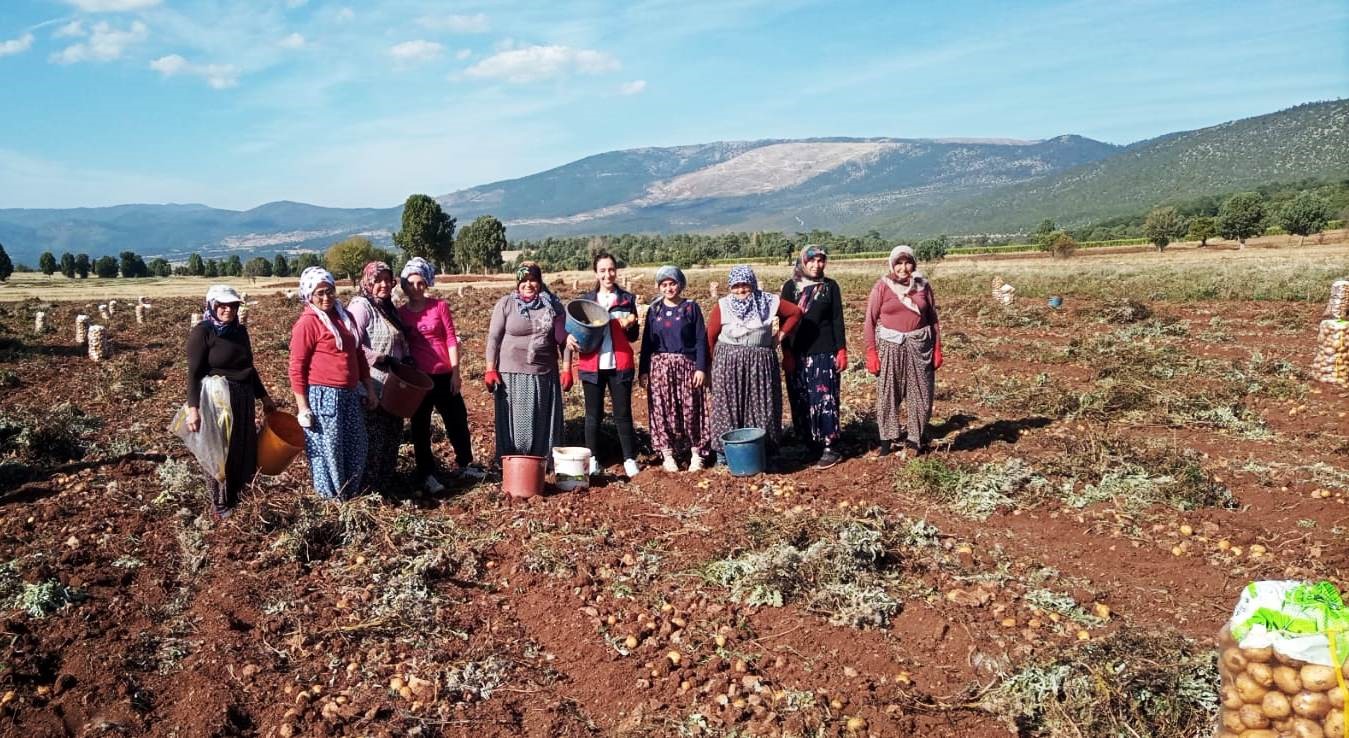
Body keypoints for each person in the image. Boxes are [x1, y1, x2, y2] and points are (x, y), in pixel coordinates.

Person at [184, 285, 276, 517]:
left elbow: (249, 368)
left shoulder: (239, 331)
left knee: (242, 446)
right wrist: (193, 409)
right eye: (222, 305)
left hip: (243, 397)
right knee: (218, 449)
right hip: (217, 399)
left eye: (232, 305)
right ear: (211, 306)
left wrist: (264, 397)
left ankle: (240, 494)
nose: (228, 310)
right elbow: (194, 373)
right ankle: (220, 502)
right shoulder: (202, 332)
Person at [289, 267, 378, 499]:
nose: (326, 298)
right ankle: (332, 499)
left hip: (349, 394)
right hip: (324, 396)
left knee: (356, 446)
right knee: (329, 451)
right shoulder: (308, 323)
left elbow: (358, 356)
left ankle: (350, 493)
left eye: (329, 291)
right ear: (309, 295)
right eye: (320, 293)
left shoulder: (343, 318)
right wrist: (302, 407)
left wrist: (369, 388)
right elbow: (296, 367)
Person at [398, 257, 483, 493]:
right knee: (420, 427)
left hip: (444, 374)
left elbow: (451, 339)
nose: (416, 288)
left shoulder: (439, 307)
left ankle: (465, 463)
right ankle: (426, 473)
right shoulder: (401, 314)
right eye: (411, 283)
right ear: (404, 285)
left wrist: (456, 372)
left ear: (427, 284)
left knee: (457, 419)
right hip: (419, 380)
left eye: (420, 283)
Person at [707, 265, 802, 465]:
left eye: (745, 284)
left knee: (763, 405)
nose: (741, 290)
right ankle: (724, 456)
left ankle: (767, 452)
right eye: (736, 286)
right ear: (730, 287)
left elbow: (795, 312)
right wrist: (710, 367)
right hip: (728, 363)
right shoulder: (723, 305)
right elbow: (710, 336)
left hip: (760, 362)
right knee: (727, 407)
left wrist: (780, 336)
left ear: (752, 283)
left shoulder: (768, 301)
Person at [484, 261, 570, 461]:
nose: (528, 284)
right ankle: (514, 463)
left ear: (540, 282)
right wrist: (490, 368)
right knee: (516, 423)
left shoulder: (553, 305)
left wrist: (567, 369)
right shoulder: (506, 304)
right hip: (511, 375)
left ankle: (542, 462)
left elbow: (565, 340)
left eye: (533, 280)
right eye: (523, 280)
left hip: (544, 374)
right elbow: (493, 339)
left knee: (542, 421)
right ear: (517, 283)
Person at [864, 245, 943, 457]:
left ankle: (915, 439)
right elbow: (870, 321)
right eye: (899, 263)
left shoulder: (923, 285)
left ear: (914, 264)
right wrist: (871, 352)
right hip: (891, 346)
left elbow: (933, 318)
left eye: (908, 262)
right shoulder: (882, 286)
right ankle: (887, 440)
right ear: (892, 264)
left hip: (920, 345)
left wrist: (937, 348)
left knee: (921, 393)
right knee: (888, 392)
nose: (903, 267)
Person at [568, 252, 641, 478]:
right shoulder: (586, 302)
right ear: (596, 273)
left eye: (611, 270)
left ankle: (629, 459)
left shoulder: (627, 300)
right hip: (592, 364)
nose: (608, 275)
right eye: (602, 270)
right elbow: (573, 330)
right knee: (593, 415)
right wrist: (569, 339)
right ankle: (593, 459)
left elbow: (633, 337)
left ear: (616, 271)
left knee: (623, 413)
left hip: (619, 363)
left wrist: (630, 325)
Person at [780, 245, 847, 469]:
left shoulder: (830, 287)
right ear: (803, 261)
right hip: (798, 354)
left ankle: (830, 446)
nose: (817, 265)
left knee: (824, 399)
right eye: (812, 260)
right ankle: (809, 444)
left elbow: (837, 320)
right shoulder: (791, 287)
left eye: (821, 261)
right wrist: (786, 353)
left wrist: (841, 350)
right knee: (801, 400)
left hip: (823, 353)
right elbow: (783, 323)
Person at [639, 265, 710, 472]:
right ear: (659, 287)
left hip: (687, 366)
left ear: (680, 285)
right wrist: (644, 371)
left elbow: (700, 340)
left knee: (691, 409)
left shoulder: (691, 308)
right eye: (664, 284)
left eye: (672, 284)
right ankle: (667, 454)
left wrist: (701, 368)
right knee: (663, 410)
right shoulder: (655, 310)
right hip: (661, 369)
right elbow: (646, 344)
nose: (669, 288)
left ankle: (697, 452)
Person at [346, 261, 409, 494]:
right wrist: (379, 358)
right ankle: (369, 491)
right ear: (368, 281)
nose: (384, 284)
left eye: (387, 279)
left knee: (392, 435)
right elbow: (352, 345)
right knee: (373, 438)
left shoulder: (389, 307)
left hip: (393, 386)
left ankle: (386, 484)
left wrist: (406, 359)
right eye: (378, 280)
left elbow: (399, 341)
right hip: (370, 384)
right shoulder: (361, 307)